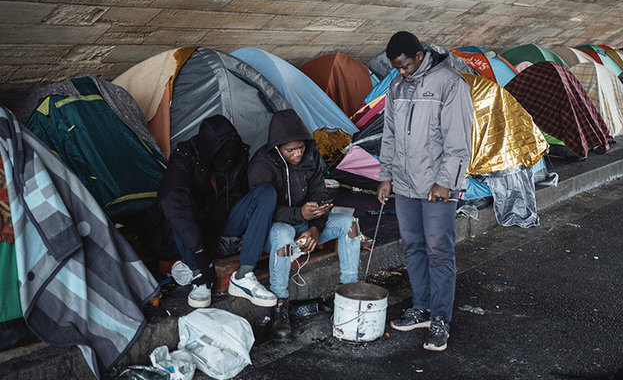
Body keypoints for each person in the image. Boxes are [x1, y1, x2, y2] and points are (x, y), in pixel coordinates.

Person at [377, 31, 473, 352]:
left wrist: (446, 181)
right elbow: (389, 135)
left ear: (419, 55)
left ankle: (440, 318)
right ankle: (421, 307)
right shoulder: (396, 87)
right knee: (414, 247)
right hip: (404, 184)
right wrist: (386, 176)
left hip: (437, 186)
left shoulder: (449, 84)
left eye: (404, 66)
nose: (401, 72)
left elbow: (458, 140)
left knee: (439, 250)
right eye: (396, 68)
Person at [249, 109, 362, 342]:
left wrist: (316, 227)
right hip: (275, 228)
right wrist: (299, 214)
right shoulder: (261, 164)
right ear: (277, 148)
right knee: (282, 235)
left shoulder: (311, 157)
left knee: (350, 225)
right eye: (290, 150)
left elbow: (321, 196)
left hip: (306, 225)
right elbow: (262, 211)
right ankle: (280, 305)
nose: (298, 154)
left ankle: (347, 295)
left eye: (300, 147)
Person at [158, 114, 277, 308]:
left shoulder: (238, 154)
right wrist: (199, 253)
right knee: (176, 204)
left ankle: (244, 275)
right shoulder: (186, 156)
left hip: (226, 224)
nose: (227, 161)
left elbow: (240, 194)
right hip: (197, 233)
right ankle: (200, 276)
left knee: (266, 192)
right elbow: (171, 198)